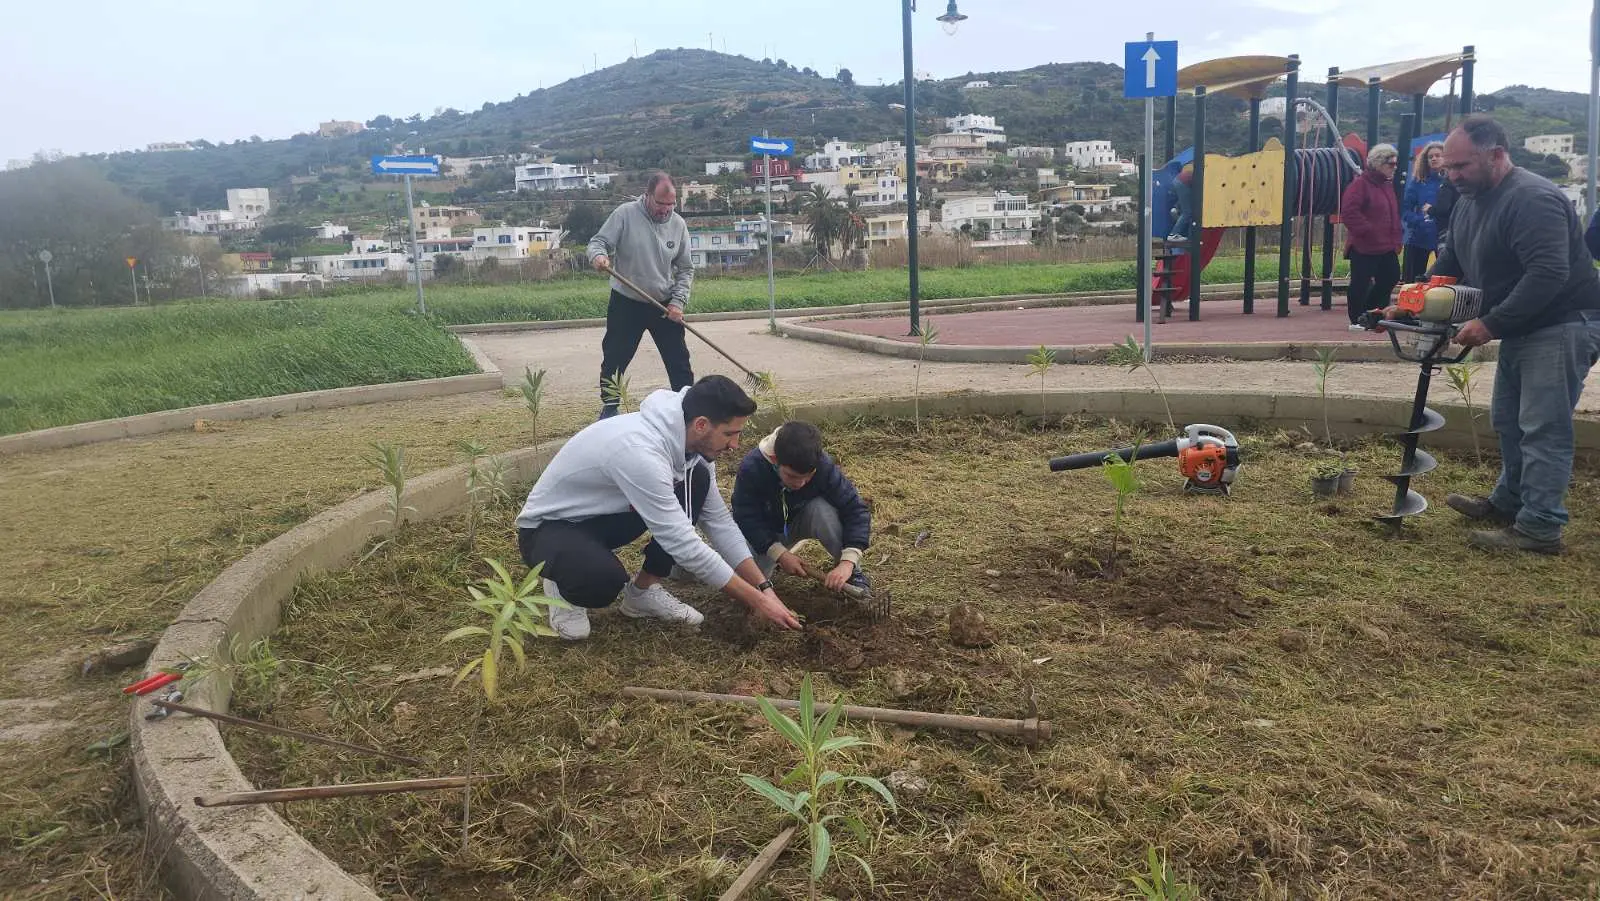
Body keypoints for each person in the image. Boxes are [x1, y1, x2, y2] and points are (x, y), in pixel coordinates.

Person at [515, 375, 802, 640]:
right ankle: (563, 583)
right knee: (604, 582)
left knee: (696, 481)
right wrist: (758, 602)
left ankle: (641, 592)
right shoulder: (640, 452)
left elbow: (719, 523)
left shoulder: (695, 451)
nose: (736, 445)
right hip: (547, 529)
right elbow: (684, 545)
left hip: (605, 518)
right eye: (729, 434)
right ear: (701, 424)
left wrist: (764, 588)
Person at [1430, 115, 1600, 554]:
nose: (1453, 176)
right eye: (1447, 168)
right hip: (1525, 323)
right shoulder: (1472, 197)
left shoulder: (1532, 199)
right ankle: (1510, 501)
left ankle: (1540, 528)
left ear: (1497, 156)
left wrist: (1490, 324)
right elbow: (1453, 257)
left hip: (1563, 321)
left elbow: (1548, 274)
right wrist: (1416, 295)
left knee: (1543, 428)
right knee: (1509, 419)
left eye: (1461, 166)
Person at [589, 171, 695, 419]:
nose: (666, 210)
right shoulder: (625, 214)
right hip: (627, 300)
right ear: (647, 196)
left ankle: (687, 408)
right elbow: (598, 242)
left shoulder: (678, 224)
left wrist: (678, 302)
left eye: (671, 204)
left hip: (664, 304)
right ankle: (611, 407)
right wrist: (599, 257)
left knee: (679, 360)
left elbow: (686, 268)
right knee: (615, 356)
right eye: (661, 203)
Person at [730, 420, 873, 593]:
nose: (800, 484)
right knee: (748, 583)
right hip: (766, 534)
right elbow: (746, 517)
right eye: (792, 476)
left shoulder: (823, 466)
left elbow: (855, 509)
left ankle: (852, 574)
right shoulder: (753, 468)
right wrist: (779, 554)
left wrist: (848, 562)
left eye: (807, 477)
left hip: (801, 518)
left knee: (823, 510)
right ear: (775, 460)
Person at [1341, 143, 1403, 330]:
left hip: (1386, 245)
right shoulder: (1360, 184)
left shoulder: (1386, 185)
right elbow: (1349, 211)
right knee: (1360, 282)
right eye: (1390, 164)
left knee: (1391, 276)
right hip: (1364, 246)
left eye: (1395, 163)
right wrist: (1367, 231)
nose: (1394, 167)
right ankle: (1357, 319)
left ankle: (1372, 311)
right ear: (1378, 164)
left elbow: (1391, 213)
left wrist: (1395, 237)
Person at [1401, 141, 1446, 282]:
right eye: (1430, 156)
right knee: (1412, 281)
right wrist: (1418, 221)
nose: (1434, 159)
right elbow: (1405, 209)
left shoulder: (1453, 182)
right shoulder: (1418, 182)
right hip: (1419, 237)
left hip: (1444, 237)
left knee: (1446, 279)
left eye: (1438, 155)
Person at [1167, 163, 1194, 241]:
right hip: (1183, 184)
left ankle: (1176, 208)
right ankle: (1173, 234)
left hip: (1177, 181)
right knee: (1187, 213)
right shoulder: (1204, 174)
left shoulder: (1195, 170)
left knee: (1186, 201)